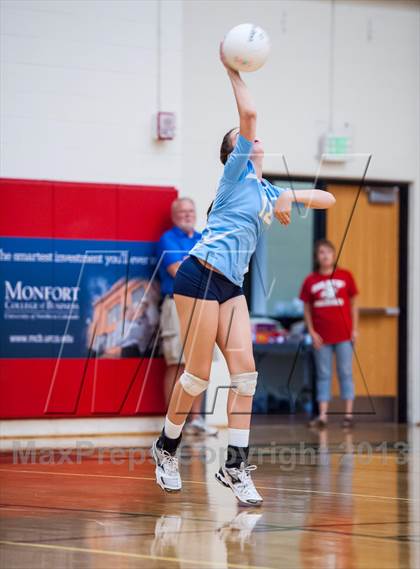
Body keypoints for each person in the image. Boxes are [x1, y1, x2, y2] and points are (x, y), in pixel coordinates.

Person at [151, 44, 336, 505]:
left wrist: (291, 199)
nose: (254, 140)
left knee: (245, 377)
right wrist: (231, 69)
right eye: (244, 139)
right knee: (195, 376)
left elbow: (328, 199)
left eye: (252, 139)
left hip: (231, 286)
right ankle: (166, 449)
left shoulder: (267, 188)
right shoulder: (235, 177)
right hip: (199, 276)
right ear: (234, 151)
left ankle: (234, 468)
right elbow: (249, 113)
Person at [156, 197, 218, 436]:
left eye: (190, 211)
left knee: (199, 365)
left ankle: (196, 421)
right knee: (177, 363)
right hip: (175, 305)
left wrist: (195, 266)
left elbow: (215, 269)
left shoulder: (204, 237)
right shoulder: (167, 239)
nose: (187, 215)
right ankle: (173, 423)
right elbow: (176, 270)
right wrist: (200, 266)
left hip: (203, 305)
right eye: (182, 211)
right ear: (174, 216)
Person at [300, 239, 359, 430]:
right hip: (321, 338)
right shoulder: (311, 281)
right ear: (317, 257)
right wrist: (311, 331)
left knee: (345, 372)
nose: (325, 256)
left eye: (328, 252)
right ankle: (323, 416)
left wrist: (354, 329)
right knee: (323, 374)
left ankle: (348, 415)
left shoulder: (346, 276)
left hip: (344, 335)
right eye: (321, 253)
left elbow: (354, 304)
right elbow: (306, 308)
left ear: (334, 255)